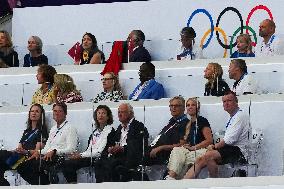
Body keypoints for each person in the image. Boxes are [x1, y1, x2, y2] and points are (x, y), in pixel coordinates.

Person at [184, 91, 251, 179]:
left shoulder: (240, 116)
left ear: (236, 102)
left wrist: (214, 146)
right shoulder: (232, 116)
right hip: (232, 149)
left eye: (229, 101)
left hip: (240, 151)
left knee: (208, 155)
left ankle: (214, 181)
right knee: (201, 159)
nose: (226, 103)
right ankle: (184, 182)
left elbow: (229, 140)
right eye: (224, 101)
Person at [17, 102, 78, 185]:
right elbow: (46, 148)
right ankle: (44, 184)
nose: (57, 113)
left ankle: (45, 184)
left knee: (32, 165)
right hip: (47, 157)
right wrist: (37, 153)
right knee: (22, 167)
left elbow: (72, 149)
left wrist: (55, 151)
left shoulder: (70, 128)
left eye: (60, 111)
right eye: (55, 111)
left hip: (59, 158)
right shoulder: (53, 129)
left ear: (65, 113)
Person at [62, 105, 115, 183]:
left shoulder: (110, 130)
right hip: (89, 156)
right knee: (67, 163)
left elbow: (99, 152)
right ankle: (72, 184)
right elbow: (88, 150)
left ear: (108, 117)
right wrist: (79, 154)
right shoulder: (94, 132)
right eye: (99, 113)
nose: (100, 115)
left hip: (100, 158)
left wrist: (81, 155)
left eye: (103, 113)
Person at [0, 104, 48, 186]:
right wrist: (15, 150)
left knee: (1, 154)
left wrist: (25, 151)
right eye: (32, 111)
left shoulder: (41, 131)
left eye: (37, 111)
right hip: (18, 157)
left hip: (27, 158)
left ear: (41, 115)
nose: (34, 113)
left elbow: (37, 152)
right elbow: (19, 147)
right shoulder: (26, 131)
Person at [165, 98, 213, 180]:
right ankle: (172, 177)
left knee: (182, 159)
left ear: (198, 107)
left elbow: (209, 141)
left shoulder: (202, 120)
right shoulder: (188, 124)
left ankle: (171, 179)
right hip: (192, 151)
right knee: (177, 150)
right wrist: (186, 145)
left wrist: (193, 147)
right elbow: (186, 140)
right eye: (188, 105)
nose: (190, 107)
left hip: (202, 150)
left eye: (193, 105)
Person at [102, 103, 149, 182]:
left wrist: (123, 149)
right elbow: (113, 142)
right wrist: (111, 148)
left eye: (122, 112)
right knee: (100, 162)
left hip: (130, 157)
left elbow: (140, 146)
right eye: (119, 112)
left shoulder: (139, 126)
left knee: (111, 164)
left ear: (130, 113)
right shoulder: (119, 128)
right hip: (117, 156)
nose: (120, 115)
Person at [148, 96, 189, 165]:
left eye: (176, 106)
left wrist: (161, 147)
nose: (173, 108)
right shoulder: (172, 121)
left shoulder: (185, 123)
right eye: (171, 106)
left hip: (166, 154)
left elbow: (183, 145)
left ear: (183, 108)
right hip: (155, 148)